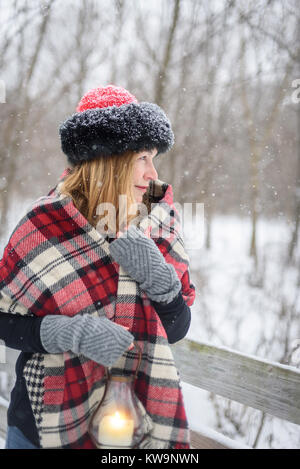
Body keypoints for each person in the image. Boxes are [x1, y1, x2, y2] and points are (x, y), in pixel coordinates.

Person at [0, 85, 196, 449]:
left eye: (154, 157)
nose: (153, 172)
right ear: (109, 159)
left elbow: (177, 327)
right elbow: (5, 320)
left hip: (131, 424)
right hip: (41, 424)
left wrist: (160, 280)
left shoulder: (160, 223)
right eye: (141, 157)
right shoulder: (44, 223)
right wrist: (70, 333)